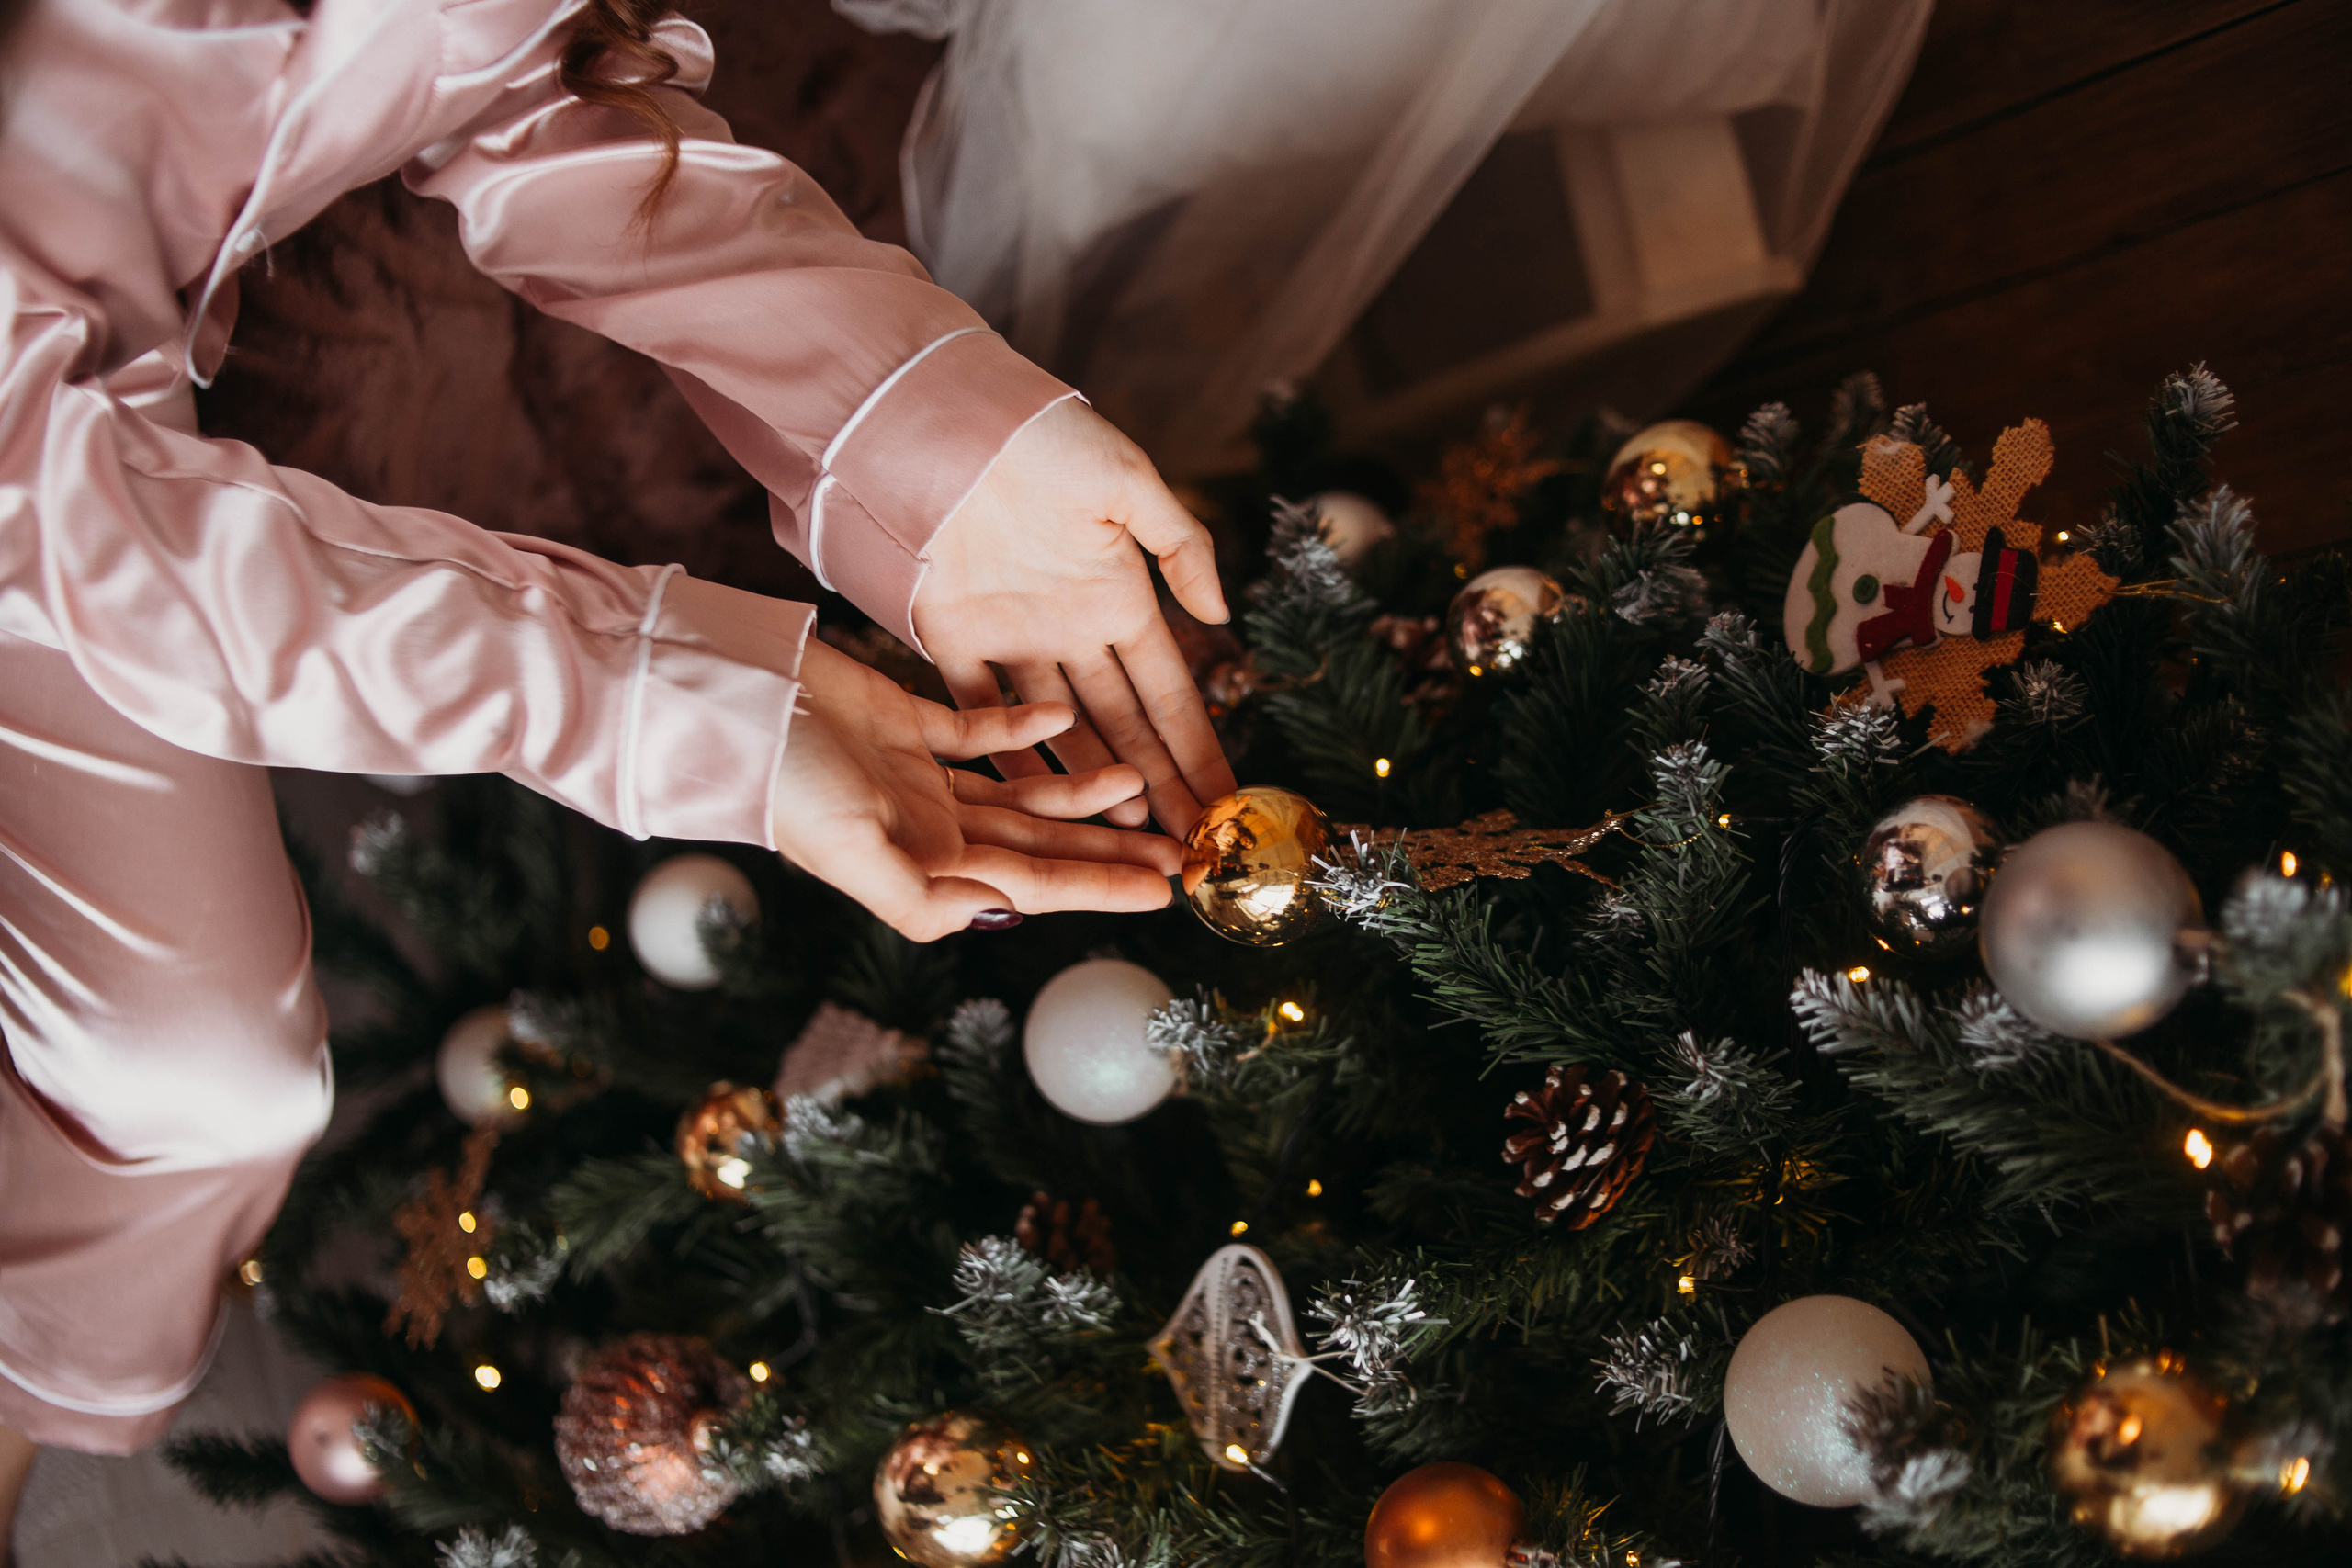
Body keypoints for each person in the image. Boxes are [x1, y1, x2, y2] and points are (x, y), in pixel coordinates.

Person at [0, 0, 1238, 1479]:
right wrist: (676, 701)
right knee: (205, 1080)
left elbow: (513, 76)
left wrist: (931, 435)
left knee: (197, 1088)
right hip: (43, 478)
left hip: (88, 418)